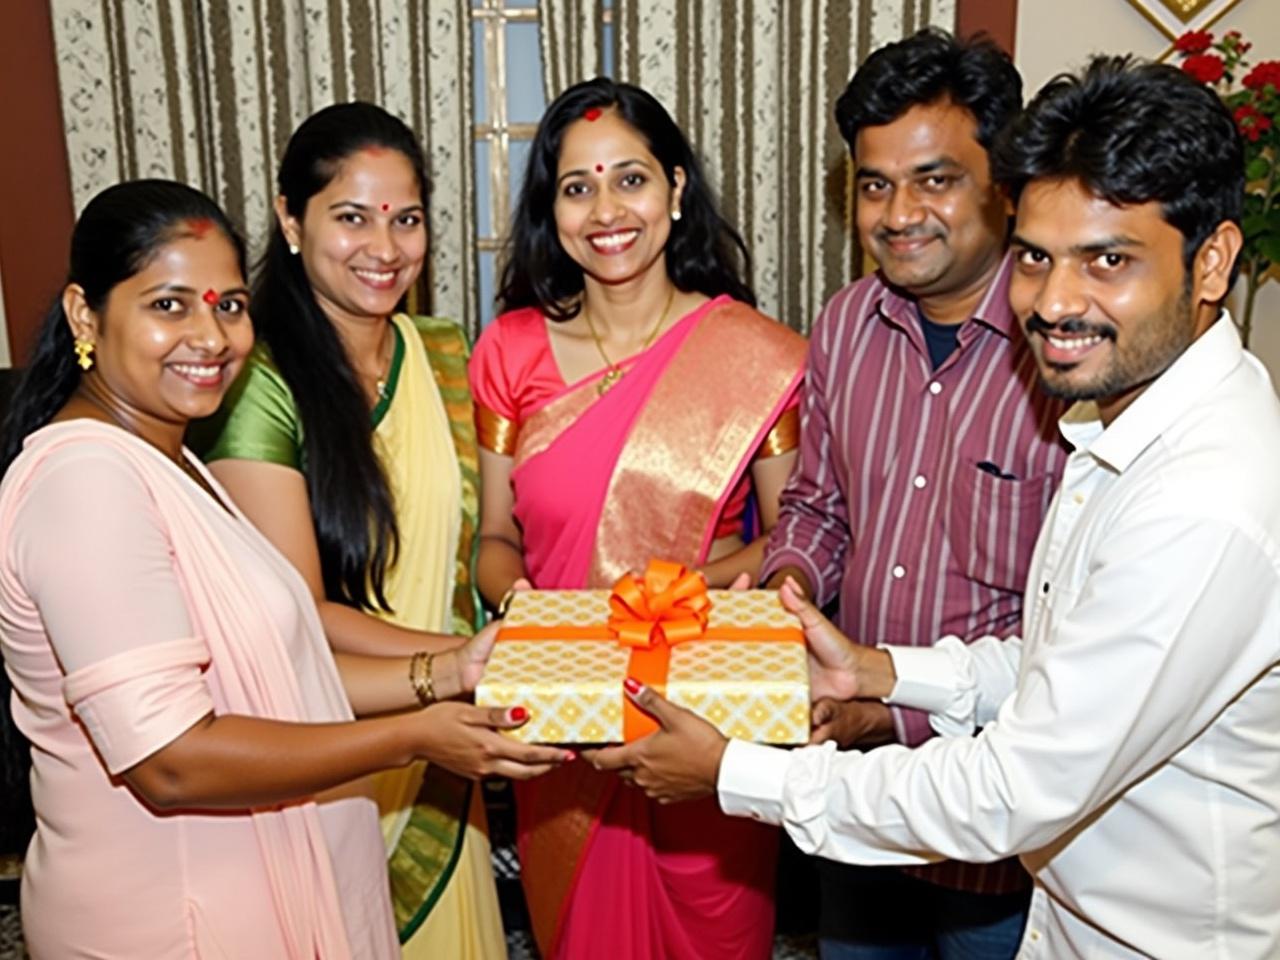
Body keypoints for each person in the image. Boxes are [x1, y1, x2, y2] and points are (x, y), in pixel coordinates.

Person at [590, 56, 1280, 958]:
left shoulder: (1203, 497)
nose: (1058, 300)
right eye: (1040, 258)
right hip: (1038, 892)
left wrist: (737, 774)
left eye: (1107, 261)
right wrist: (879, 670)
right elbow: (1056, 657)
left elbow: (1015, 783)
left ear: (1212, 260)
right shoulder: (1121, 417)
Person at [0, 179, 568, 959]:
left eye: (229, 305)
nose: (211, 335)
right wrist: (414, 737)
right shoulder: (85, 485)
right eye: (169, 305)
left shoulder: (172, 464)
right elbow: (171, 760)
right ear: (83, 314)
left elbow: (281, 678)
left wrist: (452, 669)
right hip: (175, 918)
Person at [469, 78, 807, 959]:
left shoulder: (761, 356)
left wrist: (679, 596)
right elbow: (496, 543)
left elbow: (794, 540)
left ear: (677, 189)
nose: (606, 210)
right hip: (566, 723)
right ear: (552, 209)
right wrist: (543, 620)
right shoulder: (508, 351)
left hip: (707, 717)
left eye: (632, 178)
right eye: (576, 187)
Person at [759, 29, 1067, 958]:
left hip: (1006, 835)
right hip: (859, 805)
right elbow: (819, 501)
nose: (900, 214)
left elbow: (1073, 629)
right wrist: (791, 594)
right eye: (875, 183)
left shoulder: (1063, 352)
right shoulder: (847, 325)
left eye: (936, 179)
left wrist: (886, 705)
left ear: (1005, 187)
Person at [190, 102, 507, 959]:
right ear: (293, 221)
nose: (386, 246)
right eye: (352, 216)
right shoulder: (257, 383)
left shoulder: (442, 350)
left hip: (446, 741)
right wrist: (453, 671)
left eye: (406, 219)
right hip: (332, 744)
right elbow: (294, 613)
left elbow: (481, 546)